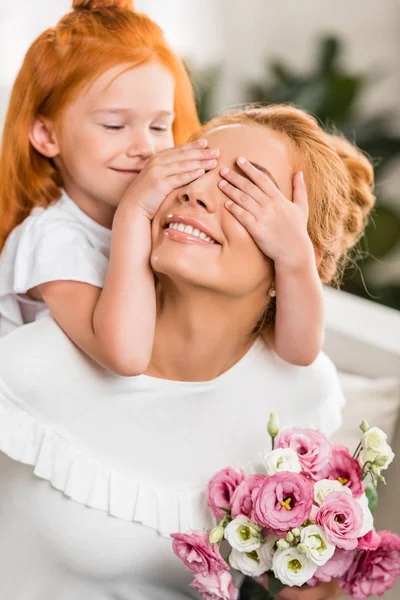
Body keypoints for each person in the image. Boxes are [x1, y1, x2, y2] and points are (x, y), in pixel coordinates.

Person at [0, 103, 375, 599]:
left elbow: (304, 579)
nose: (195, 193)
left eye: (240, 188)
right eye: (191, 168)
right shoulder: (31, 368)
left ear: (299, 253)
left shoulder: (301, 394)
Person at [0, 2, 343, 374]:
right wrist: (135, 213)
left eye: (160, 126)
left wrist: (295, 260)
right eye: (115, 126)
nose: (144, 147)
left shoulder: (170, 211)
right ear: (46, 135)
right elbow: (128, 357)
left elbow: (298, 353)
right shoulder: (51, 239)